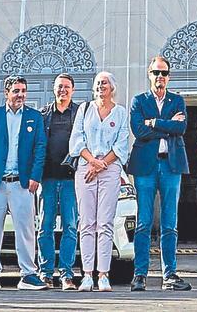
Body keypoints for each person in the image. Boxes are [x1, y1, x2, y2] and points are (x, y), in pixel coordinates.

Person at [0, 75, 48, 291]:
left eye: (23, 91)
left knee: (26, 229)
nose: (20, 95)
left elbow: (40, 148)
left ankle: (28, 274)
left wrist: (36, 176)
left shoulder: (34, 117)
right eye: (16, 91)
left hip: (23, 184)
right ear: (6, 92)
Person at [129, 56, 191, 292]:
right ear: (149, 74)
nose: (160, 77)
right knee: (143, 222)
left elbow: (181, 128)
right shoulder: (139, 101)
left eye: (164, 73)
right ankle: (140, 275)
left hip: (171, 166)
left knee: (169, 224)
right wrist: (166, 126)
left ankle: (170, 275)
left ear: (169, 77)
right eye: (156, 72)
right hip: (145, 166)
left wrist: (154, 122)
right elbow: (139, 130)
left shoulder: (177, 101)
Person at [70, 71, 131, 293]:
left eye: (104, 83)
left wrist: (102, 164)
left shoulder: (121, 112)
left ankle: (103, 275)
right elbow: (77, 140)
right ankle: (87, 275)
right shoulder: (84, 110)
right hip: (86, 168)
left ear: (112, 87)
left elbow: (122, 143)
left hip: (110, 169)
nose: (100, 86)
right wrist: (92, 162)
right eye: (97, 83)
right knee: (87, 223)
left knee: (105, 223)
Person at [39, 73, 80, 291]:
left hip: (71, 180)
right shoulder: (43, 114)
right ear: (53, 90)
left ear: (72, 90)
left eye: (66, 87)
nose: (62, 90)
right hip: (47, 179)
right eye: (59, 87)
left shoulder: (80, 113)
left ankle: (66, 274)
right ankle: (45, 273)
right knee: (45, 226)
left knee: (70, 227)